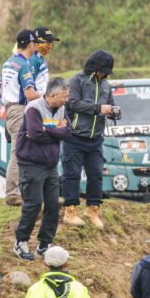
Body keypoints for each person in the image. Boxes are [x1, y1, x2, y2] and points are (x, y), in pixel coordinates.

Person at [14, 77, 72, 260]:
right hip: (31, 164)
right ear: (52, 94)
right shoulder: (34, 108)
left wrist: (48, 131)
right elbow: (36, 134)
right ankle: (21, 242)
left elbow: (68, 132)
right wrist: (55, 132)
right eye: (64, 96)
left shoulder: (62, 109)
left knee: (54, 205)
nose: (66, 100)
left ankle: (44, 244)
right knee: (33, 204)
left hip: (51, 166)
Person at [63, 50, 119, 229]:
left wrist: (115, 111)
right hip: (75, 137)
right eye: (103, 70)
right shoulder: (77, 80)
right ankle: (70, 211)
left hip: (96, 139)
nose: (105, 74)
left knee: (96, 175)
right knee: (72, 175)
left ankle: (93, 210)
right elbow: (72, 103)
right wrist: (98, 108)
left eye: (107, 72)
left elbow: (110, 104)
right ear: (94, 67)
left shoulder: (106, 85)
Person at [1, 29, 44, 206]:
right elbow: (30, 93)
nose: (36, 47)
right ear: (31, 44)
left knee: (21, 152)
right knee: (18, 153)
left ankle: (21, 191)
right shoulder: (24, 65)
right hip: (19, 109)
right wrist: (48, 96)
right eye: (35, 44)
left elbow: (2, 90)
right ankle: (12, 194)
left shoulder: (8, 63)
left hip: (10, 109)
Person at [28, 26, 59, 99]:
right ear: (37, 41)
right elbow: (29, 86)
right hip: (36, 102)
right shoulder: (33, 59)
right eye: (47, 42)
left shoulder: (40, 58)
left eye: (51, 42)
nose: (49, 45)